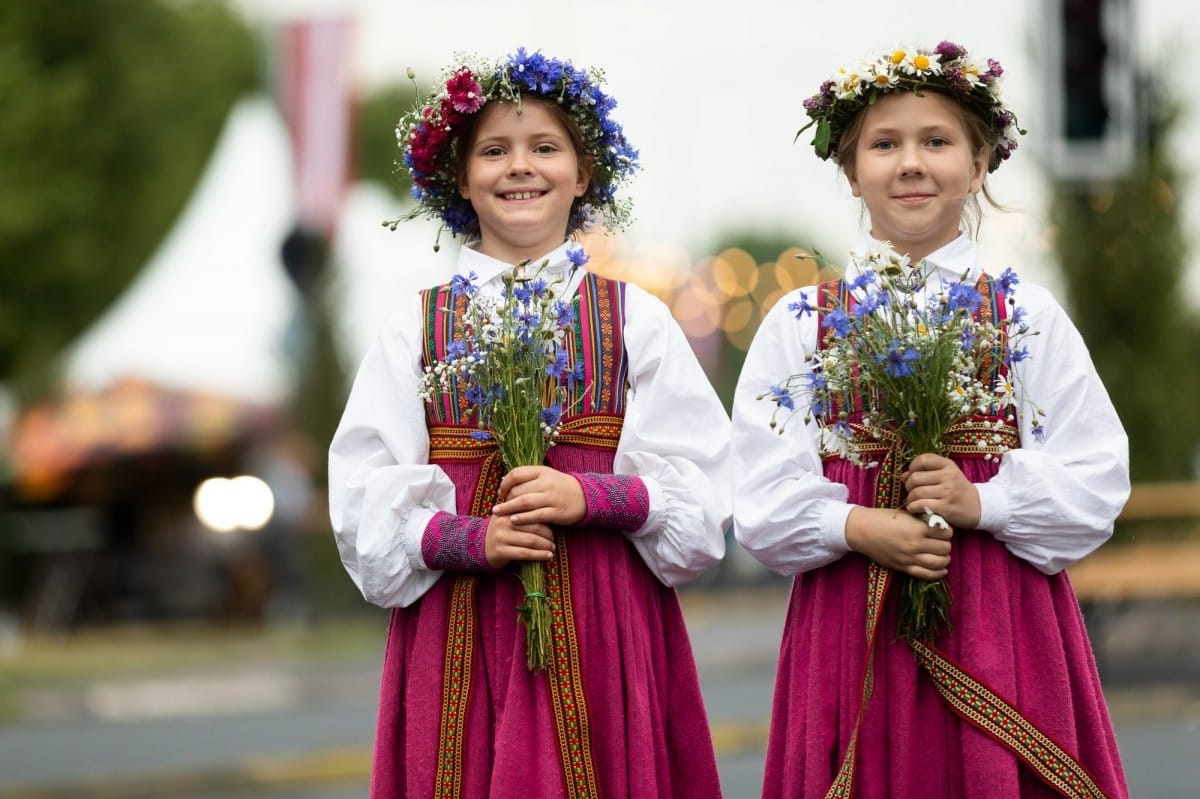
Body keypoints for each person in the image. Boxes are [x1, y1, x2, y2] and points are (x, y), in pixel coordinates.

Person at [732, 41, 1130, 798]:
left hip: (1000, 622)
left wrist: (986, 501)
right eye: (885, 144)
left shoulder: (1022, 314)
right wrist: (856, 525)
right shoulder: (803, 321)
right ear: (852, 170)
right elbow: (756, 490)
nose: (911, 163)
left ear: (978, 164)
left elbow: (1097, 475)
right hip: (849, 627)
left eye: (937, 141)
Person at [329, 48, 729, 799]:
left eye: (545, 147)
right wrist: (468, 537)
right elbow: (362, 495)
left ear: (583, 174)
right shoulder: (414, 327)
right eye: (494, 150)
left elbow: (703, 495)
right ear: (459, 176)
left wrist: (593, 497)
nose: (521, 166)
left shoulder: (635, 318)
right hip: (461, 623)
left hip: (603, 616)